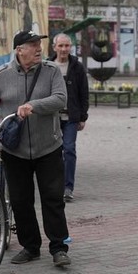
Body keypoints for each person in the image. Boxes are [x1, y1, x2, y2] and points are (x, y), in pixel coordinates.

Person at [0, 30, 72, 267]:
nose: (39, 49)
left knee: (52, 199)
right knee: (20, 200)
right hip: (14, 150)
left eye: (39, 44)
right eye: (33, 45)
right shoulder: (2, 75)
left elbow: (61, 99)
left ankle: (59, 248)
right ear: (19, 50)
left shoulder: (51, 72)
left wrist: (34, 105)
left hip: (48, 146)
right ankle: (30, 247)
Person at [48, 33, 89, 202]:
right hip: (52, 118)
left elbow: (83, 93)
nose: (64, 49)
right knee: (52, 153)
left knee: (69, 150)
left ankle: (68, 187)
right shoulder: (48, 66)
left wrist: (83, 117)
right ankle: (53, 186)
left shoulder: (77, 67)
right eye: (61, 46)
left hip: (71, 118)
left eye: (67, 46)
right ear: (54, 47)